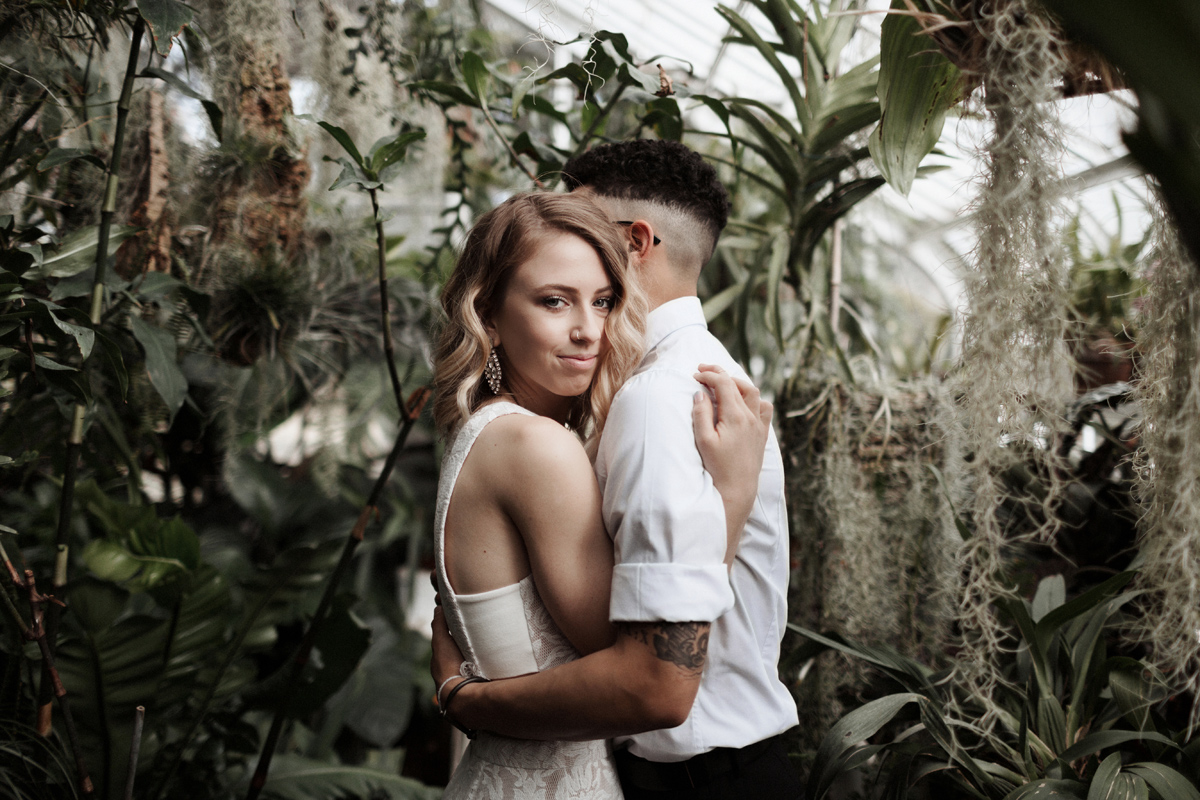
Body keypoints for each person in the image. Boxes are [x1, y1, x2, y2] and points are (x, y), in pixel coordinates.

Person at [432, 140, 803, 800]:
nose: (584, 326)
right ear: (491, 314)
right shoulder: (638, 393)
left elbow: (652, 673)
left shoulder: (659, 396)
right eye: (553, 299)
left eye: (599, 298)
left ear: (634, 243)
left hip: (702, 776)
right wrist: (732, 504)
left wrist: (467, 698)